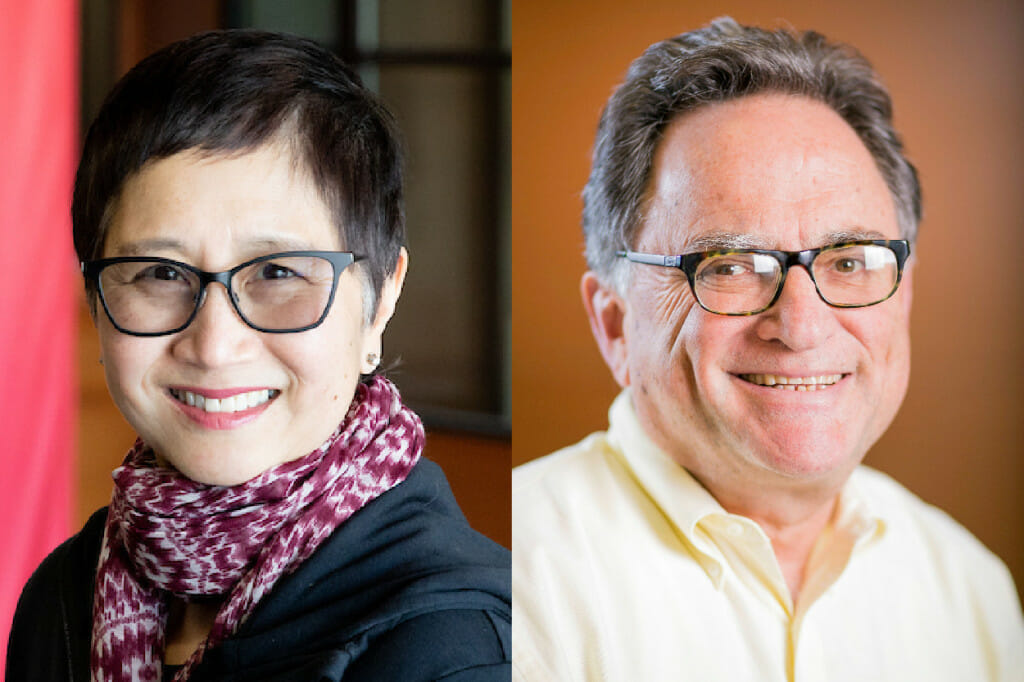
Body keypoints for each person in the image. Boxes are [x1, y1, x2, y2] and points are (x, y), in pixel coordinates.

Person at [512, 17, 1024, 682]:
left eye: (850, 261)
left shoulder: (972, 593)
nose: (802, 326)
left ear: (905, 296)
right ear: (614, 324)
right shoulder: (511, 585)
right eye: (729, 264)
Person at [6, 30, 510, 681]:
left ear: (380, 301)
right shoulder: (64, 595)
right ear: (98, 299)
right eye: (160, 274)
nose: (214, 346)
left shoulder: (458, 649)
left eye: (276, 273)